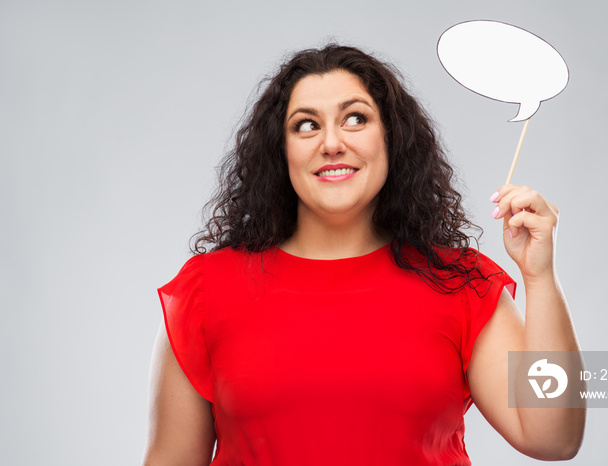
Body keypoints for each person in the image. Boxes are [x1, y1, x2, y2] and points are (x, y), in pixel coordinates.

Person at [143, 44, 585, 466]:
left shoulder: (460, 282)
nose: (331, 143)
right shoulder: (207, 289)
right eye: (306, 124)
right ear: (282, 151)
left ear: (392, 140)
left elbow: (553, 436)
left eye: (355, 118)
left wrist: (539, 277)